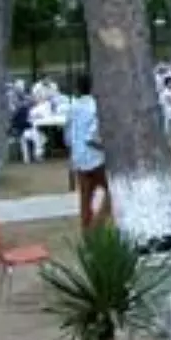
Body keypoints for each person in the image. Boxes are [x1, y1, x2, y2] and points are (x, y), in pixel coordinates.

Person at [65, 74, 111, 230]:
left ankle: (87, 233)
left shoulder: (72, 108)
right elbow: (92, 136)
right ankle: (97, 225)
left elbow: (68, 136)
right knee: (114, 192)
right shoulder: (96, 107)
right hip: (97, 159)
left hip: (79, 159)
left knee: (85, 200)